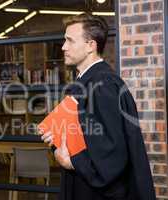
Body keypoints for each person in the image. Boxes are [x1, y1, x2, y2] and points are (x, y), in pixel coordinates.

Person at [39, 13, 156, 200]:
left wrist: (72, 162)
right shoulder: (85, 82)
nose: (63, 47)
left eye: (69, 41)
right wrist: (57, 137)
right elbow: (88, 135)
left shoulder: (104, 85)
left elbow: (113, 153)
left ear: (90, 46)